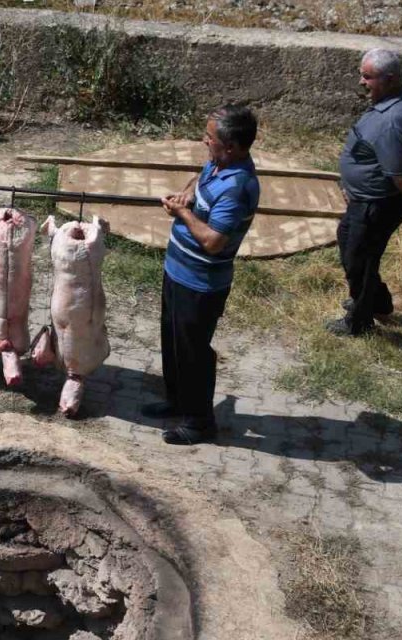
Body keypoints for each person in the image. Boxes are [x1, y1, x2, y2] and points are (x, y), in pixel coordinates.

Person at [142, 105, 260, 446]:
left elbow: (212, 241)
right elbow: (202, 173)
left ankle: (199, 423)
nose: (203, 141)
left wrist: (180, 211)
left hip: (200, 284)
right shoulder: (219, 163)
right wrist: (188, 193)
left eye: (209, 138)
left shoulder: (237, 187)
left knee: (194, 354)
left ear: (232, 146)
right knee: (174, 342)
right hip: (177, 271)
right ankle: (177, 401)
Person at [329, 48, 402, 336]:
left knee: (359, 258)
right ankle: (378, 302)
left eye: (367, 77)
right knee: (352, 245)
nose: (361, 81)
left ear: (389, 79)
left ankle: (359, 323)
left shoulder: (393, 118)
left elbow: (399, 173)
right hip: (366, 199)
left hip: (377, 203)